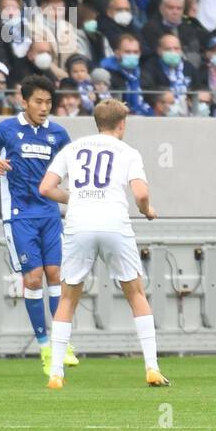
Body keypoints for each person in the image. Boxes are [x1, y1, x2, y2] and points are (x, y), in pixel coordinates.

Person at [37, 99, 167, 390]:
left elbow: (45, 187)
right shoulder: (128, 152)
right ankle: (152, 368)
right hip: (113, 223)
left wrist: (76, 198)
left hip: (79, 223)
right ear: (122, 124)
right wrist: (147, 211)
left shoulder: (72, 148)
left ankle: (56, 372)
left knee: (68, 297)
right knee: (135, 293)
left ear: (96, 122)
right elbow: (141, 193)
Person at [0, 75, 78, 375]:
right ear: (24, 101)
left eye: (48, 103)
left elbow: (73, 168)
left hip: (49, 213)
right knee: (33, 279)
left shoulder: (58, 134)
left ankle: (61, 342)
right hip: (19, 214)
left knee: (56, 274)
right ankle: (44, 346)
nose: (44, 108)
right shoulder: (6, 130)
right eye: (38, 102)